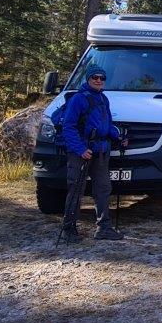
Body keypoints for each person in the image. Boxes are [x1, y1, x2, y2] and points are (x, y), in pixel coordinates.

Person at [59, 65, 127, 242]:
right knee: (76, 189)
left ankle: (104, 228)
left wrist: (118, 138)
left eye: (102, 78)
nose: (98, 80)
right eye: (95, 77)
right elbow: (68, 127)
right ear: (88, 79)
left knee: (103, 189)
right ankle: (69, 230)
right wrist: (81, 149)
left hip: (101, 152)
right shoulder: (78, 99)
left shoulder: (103, 98)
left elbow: (107, 125)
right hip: (81, 153)